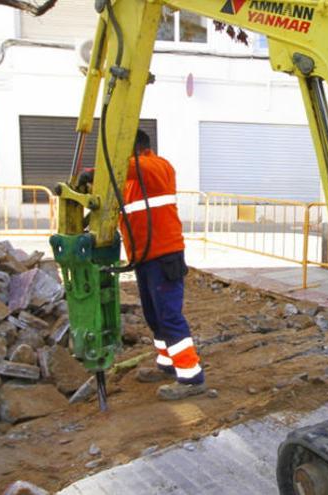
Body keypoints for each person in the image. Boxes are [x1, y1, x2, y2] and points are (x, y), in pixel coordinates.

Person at [122, 130, 206, 400]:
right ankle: (167, 363)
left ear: (138, 148)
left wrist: (100, 167)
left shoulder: (158, 167)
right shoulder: (131, 181)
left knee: (169, 316)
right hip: (144, 257)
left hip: (163, 255)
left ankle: (191, 377)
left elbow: (126, 166)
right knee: (154, 316)